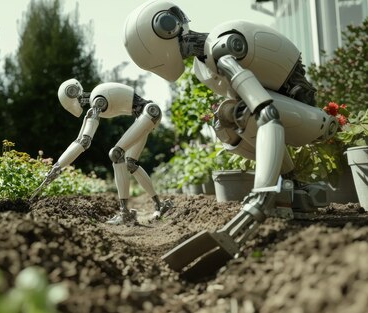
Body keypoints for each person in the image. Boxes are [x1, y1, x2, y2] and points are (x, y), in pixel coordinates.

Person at [123, 0, 338, 276]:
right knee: (224, 121)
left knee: (241, 113)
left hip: (311, 119)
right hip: (288, 112)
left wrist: (260, 196)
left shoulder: (222, 47)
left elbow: (266, 112)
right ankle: (291, 186)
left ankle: (277, 190)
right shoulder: (203, 66)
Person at [31, 78, 171, 225]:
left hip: (148, 113)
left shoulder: (98, 99)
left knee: (116, 154)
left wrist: (57, 168)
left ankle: (125, 214)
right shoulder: (96, 100)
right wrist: (56, 168)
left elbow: (84, 141)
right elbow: (81, 139)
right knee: (129, 164)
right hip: (145, 115)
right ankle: (159, 205)